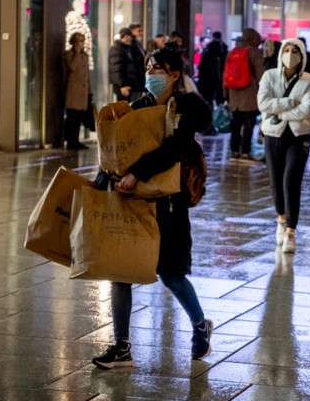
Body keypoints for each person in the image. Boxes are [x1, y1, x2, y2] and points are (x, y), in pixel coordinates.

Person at [91, 44, 214, 369]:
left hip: (169, 205)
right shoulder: (137, 107)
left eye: (155, 69)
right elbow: (117, 149)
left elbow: (174, 149)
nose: (149, 75)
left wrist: (137, 172)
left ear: (173, 75)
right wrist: (105, 179)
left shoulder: (186, 108)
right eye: (147, 68)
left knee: (171, 274)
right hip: (133, 201)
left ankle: (200, 324)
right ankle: (122, 347)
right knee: (121, 270)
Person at [258, 38, 310, 254]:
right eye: (287, 50)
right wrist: (291, 102)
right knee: (276, 181)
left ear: (302, 56)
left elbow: (306, 110)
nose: (290, 54)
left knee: (291, 180)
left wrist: (277, 109)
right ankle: (281, 219)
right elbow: (263, 103)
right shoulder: (269, 76)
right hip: (273, 134)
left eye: (295, 51)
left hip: (298, 135)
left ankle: (291, 231)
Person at [224, 28, 264, 161]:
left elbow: (225, 75)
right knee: (248, 124)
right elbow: (260, 74)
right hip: (249, 95)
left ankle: (234, 151)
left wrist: (225, 95)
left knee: (235, 124)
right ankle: (246, 152)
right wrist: (264, 90)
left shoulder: (232, 52)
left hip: (234, 94)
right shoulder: (254, 52)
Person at [63, 32, 91, 150]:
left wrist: (90, 91)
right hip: (73, 90)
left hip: (82, 91)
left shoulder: (85, 56)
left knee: (79, 117)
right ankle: (70, 141)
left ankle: (76, 140)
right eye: (79, 41)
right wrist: (77, 53)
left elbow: (87, 75)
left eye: (83, 41)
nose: (82, 43)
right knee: (72, 117)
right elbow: (72, 67)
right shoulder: (70, 54)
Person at [109, 27, 143, 102]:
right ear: (126, 36)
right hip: (123, 87)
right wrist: (122, 85)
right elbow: (116, 69)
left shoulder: (126, 48)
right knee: (123, 109)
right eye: (130, 37)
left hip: (129, 85)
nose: (131, 39)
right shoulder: (116, 49)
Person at [197, 31, 227, 112]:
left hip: (208, 82)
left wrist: (200, 87)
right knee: (221, 103)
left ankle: (210, 121)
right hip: (222, 81)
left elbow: (202, 70)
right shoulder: (225, 50)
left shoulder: (207, 51)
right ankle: (221, 120)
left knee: (208, 102)